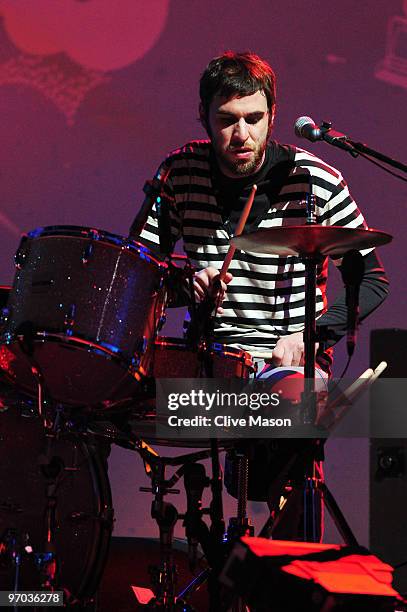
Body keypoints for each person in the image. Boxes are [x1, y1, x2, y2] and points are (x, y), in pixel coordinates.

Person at [132, 51, 389, 539]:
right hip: (213, 357)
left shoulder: (316, 180)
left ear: (273, 114)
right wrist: (184, 285)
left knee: (292, 429)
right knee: (96, 401)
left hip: (288, 356)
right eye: (227, 121)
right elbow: (140, 274)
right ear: (204, 117)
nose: (241, 135)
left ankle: (282, 571)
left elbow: (372, 280)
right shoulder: (178, 173)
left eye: (254, 119)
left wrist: (312, 337)